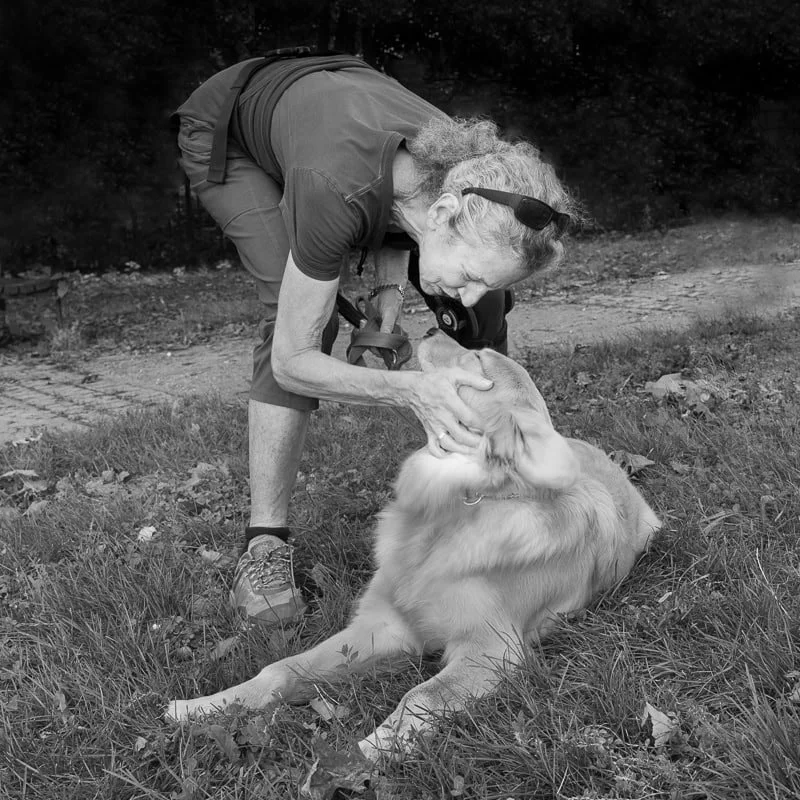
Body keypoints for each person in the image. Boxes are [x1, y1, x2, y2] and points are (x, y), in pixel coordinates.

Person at [174, 49, 579, 626]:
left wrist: (389, 296)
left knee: (484, 311)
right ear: (444, 213)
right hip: (233, 129)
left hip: (335, 119)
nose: (464, 295)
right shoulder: (335, 185)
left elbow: (399, 207)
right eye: (469, 274)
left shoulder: (462, 173)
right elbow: (293, 360)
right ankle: (264, 544)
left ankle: (490, 481)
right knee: (300, 322)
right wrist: (410, 390)